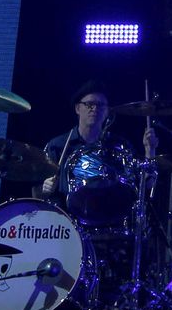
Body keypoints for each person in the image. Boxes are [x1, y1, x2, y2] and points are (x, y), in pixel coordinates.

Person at [39, 80, 157, 216]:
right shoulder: (57, 146)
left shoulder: (119, 147)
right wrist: (46, 189)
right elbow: (40, 192)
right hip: (68, 221)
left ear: (107, 111)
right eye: (89, 104)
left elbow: (145, 185)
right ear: (78, 108)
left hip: (110, 220)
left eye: (100, 105)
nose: (94, 108)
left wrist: (150, 150)